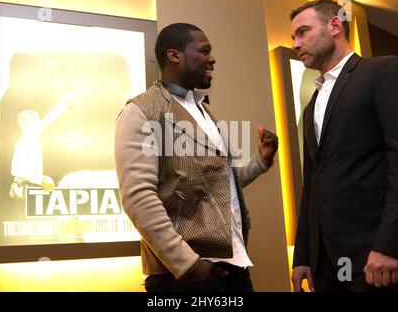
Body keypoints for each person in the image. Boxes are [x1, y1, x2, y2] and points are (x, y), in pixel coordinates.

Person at [114, 23, 278, 292]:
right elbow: (138, 197)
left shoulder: (202, 111)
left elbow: (218, 187)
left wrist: (260, 161)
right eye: (204, 51)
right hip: (187, 278)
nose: (212, 59)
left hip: (233, 267)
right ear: (174, 55)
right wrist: (188, 265)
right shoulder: (141, 111)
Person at [289, 0, 398, 292]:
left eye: (303, 32)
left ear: (335, 25)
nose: (297, 44)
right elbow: (311, 185)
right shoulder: (311, 106)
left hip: (374, 257)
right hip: (326, 266)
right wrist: (304, 255)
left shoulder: (385, 72)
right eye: (293, 37)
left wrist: (390, 245)